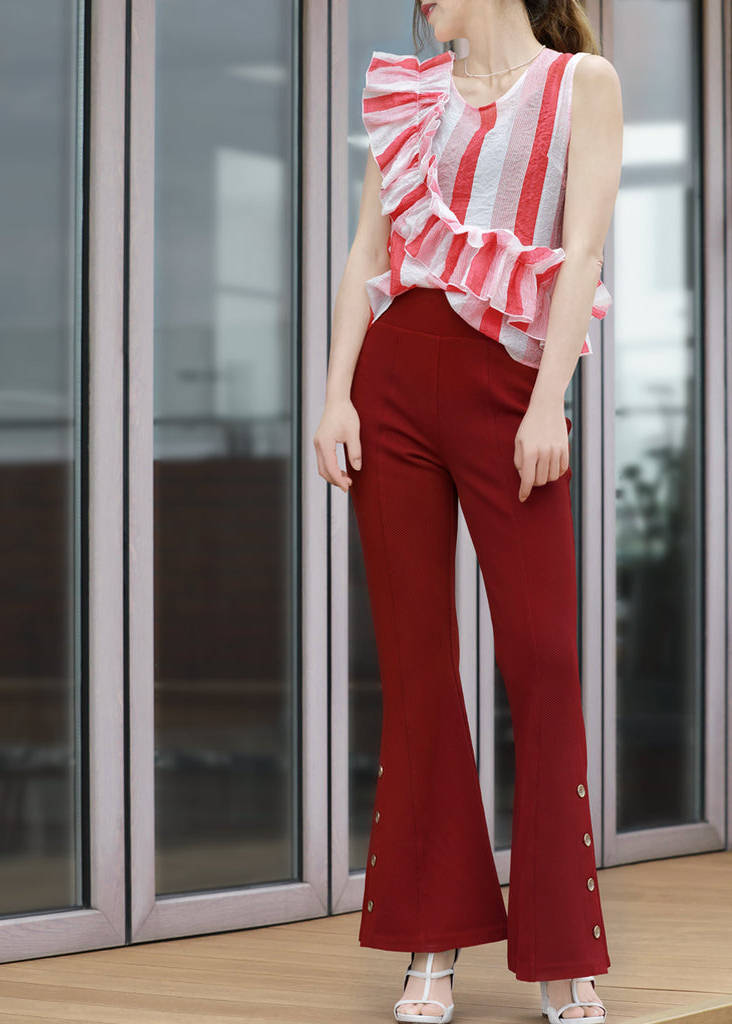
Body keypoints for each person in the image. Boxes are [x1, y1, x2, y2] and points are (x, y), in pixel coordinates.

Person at [313, 0, 622, 1021]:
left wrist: (548, 403)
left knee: (542, 659)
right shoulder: (410, 97)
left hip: (508, 393)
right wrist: (336, 394)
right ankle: (428, 946)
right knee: (416, 669)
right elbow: (367, 252)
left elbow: (582, 253)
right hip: (393, 386)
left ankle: (565, 954)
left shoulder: (580, 86)